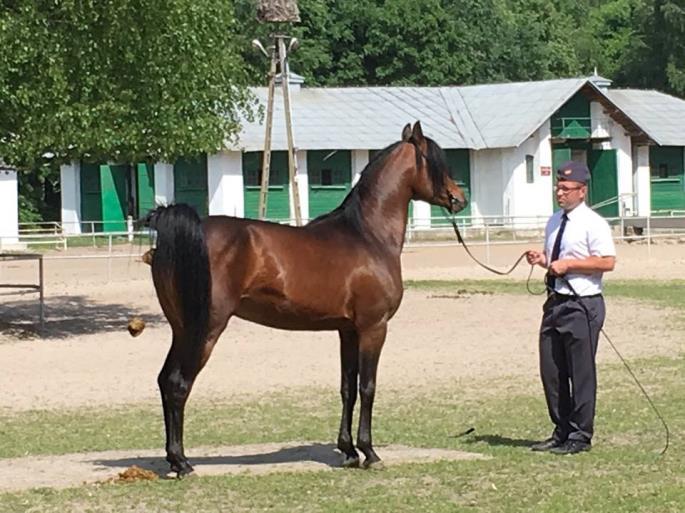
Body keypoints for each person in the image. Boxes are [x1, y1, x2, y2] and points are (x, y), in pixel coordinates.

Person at [526, 161, 616, 455]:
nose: (559, 193)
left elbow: (607, 261)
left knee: (581, 373)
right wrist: (542, 259)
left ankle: (580, 435)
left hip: (583, 305)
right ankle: (561, 429)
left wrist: (571, 265)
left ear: (582, 191)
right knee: (551, 371)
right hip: (554, 303)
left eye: (566, 188)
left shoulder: (594, 223)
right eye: (558, 187)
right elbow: (556, 256)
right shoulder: (554, 221)